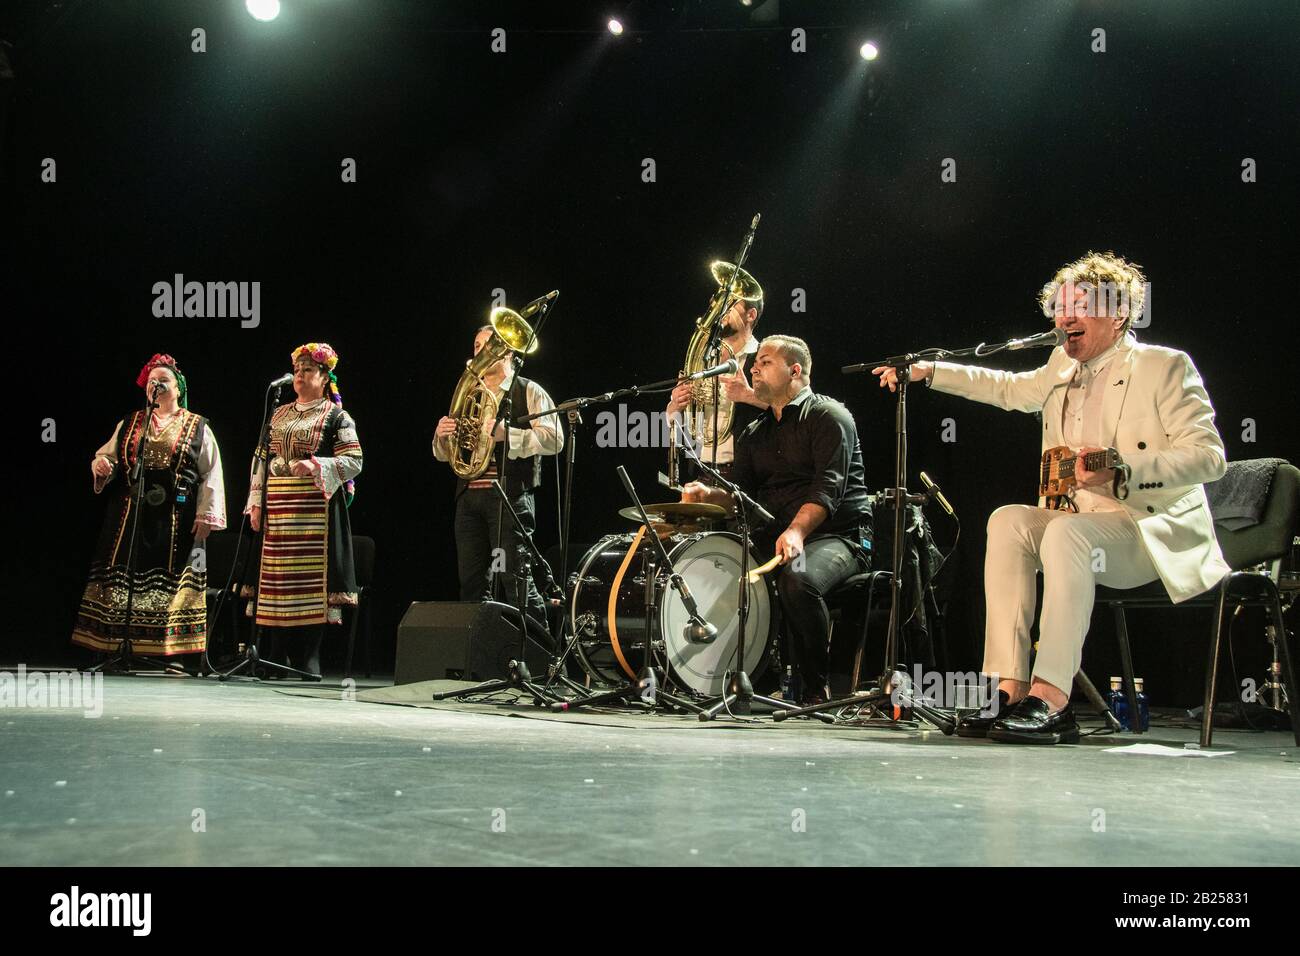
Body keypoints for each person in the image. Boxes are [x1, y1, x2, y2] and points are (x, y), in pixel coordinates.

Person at [874, 251, 1229, 743]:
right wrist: (929, 371)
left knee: (1065, 533)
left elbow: (1209, 458)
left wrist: (1122, 468)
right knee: (1007, 520)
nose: (1065, 318)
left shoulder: (1164, 366)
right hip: (1081, 526)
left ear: (1119, 313)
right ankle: (1008, 689)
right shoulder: (1061, 362)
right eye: (1060, 307)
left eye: (1080, 305)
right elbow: (1009, 388)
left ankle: (1053, 698)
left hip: (1146, 531)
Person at [683, 335, 873, 702]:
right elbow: (740, 496)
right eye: (756, 362)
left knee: (797, 580)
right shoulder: (755, 431)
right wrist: (708, 497)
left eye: (765, 362)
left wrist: (796, 532)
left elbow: (827, 490)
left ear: (795, 370)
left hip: (840, 538)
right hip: (781, 537)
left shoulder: (830, 417)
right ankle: (733, 681)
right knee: (718, 573)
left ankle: (817, 691)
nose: (753, 367)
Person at [72, 354, 226, 658]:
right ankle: (114, 644)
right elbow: (109, 456)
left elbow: (212, 472)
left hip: (176, 517)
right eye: (152, 381)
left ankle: (173, 653)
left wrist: (207, 514)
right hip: (129, 514)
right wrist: (102, 464)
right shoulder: (130, 423)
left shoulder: (197, 427)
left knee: (174, 578)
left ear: (178, 388)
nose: (157, 385)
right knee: (121, 573)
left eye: (164, 380)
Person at [245, 343, 363, 677]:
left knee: (310, 583)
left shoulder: (337, 416)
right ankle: (275, 655)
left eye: (307, 370)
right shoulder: (278, 414)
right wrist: (255, 504)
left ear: (325, 378)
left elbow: (355, 461)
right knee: (276, 581)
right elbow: (260, 461)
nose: (299, 375)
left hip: (315, 512)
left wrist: (318, 466)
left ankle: (308, 657)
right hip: (277, 511)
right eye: (297, 370)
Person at [434, 326, 563, 623]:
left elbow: (555, 439)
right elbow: (449, 453)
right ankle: (481, 659)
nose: (480, 351)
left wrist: (509, 434)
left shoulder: (528, 390)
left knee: (515, 580)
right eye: (476, 346)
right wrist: (442, 438)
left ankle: (536, 655)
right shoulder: (468, 393)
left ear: (507, 350)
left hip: (509, 496)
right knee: (472, 583)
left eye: (487, 345)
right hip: (469, 496)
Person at [666, 273, 767, 483]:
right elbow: (673, 423)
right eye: (717, 303)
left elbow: (791, 407)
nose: (719, 311)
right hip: (700, 471)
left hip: (746, 476)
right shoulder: (703, 358)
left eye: (729, 305)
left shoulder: (764, 357)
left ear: (751, 315)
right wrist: (676, 404)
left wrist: (748, 395)